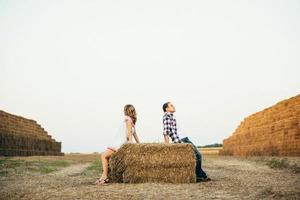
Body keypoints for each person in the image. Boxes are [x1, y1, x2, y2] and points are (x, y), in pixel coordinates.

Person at [162, 102, 210, 182]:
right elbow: (166, 132)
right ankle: (199, 176)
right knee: (198, 155)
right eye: (171, 105)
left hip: (184, 138)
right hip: (181, 140)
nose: (174, 106)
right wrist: (167, 146)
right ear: (166, 108)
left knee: (196, 156)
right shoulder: (166, 116)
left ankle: (200, 175)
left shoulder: (172, 116)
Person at [95, 104, 140, 185]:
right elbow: (134, 134)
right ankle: (103, 177)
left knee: (103, 156)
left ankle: (105, 176)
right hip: (122, 143)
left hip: (119, 143)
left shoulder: (127, 119)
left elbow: (130, 132)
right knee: (107, 158)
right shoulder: (132, 121)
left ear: (125, 111)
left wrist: (131, 144)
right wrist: (139, 144)